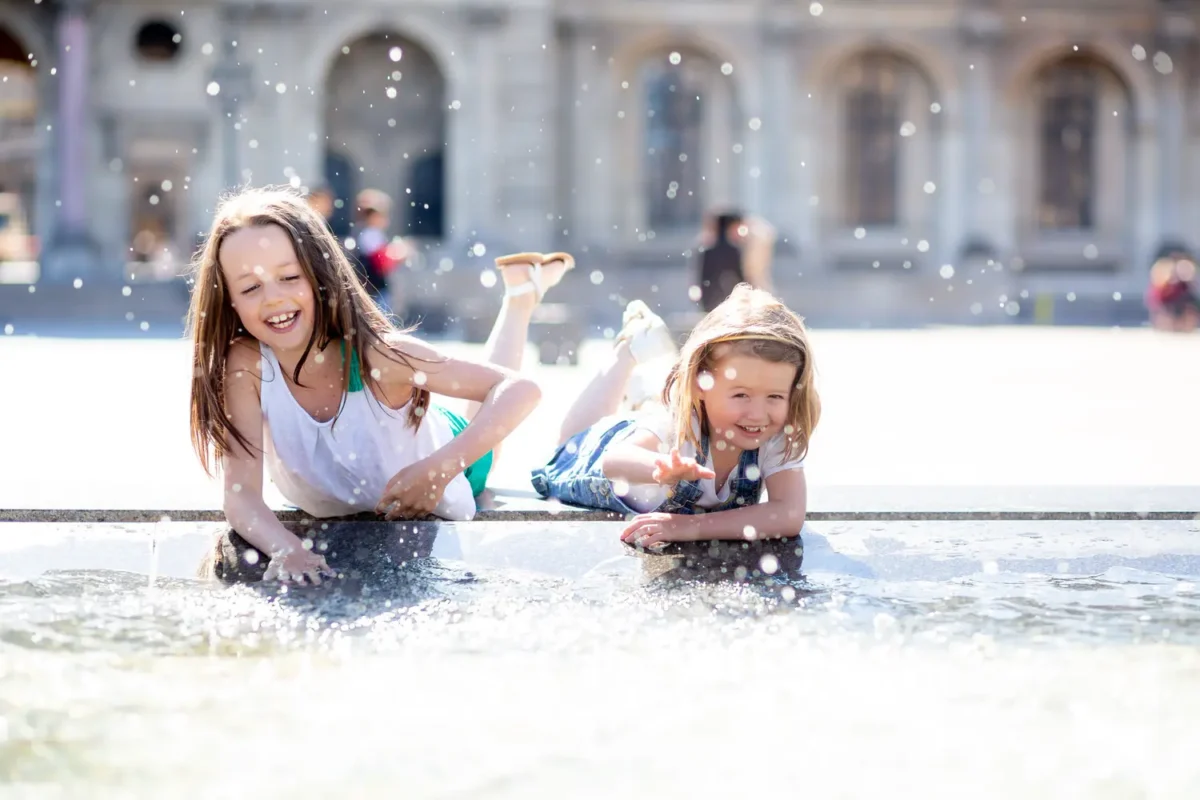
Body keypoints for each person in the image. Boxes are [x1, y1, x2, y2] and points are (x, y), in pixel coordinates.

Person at [186, 187, 563, 585]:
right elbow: (241, 497)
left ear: (320, 274)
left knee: (486, 437)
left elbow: (519, 390)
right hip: (382, 456)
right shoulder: (245, 365)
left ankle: (519, 300)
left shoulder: (379, 357)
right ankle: (521, 294)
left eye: (289, 277)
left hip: (439, 453)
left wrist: (440, 469)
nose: (273, 299)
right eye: (250, 288)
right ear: (227, 300)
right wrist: (288, 549)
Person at [531, 283, 820, 551]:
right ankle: (628, 351)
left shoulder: (777, 435)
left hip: (655, 426)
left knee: (650, 414)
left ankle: (644, 391)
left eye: (775, 397)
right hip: (595, 455)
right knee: (568, 441)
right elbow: (614, 460)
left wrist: (690, 527)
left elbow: (788, 513)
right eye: (741, 395)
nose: (758, 414)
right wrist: (659, 468)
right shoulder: (679, 424)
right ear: (700, 382)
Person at [696, 210, 746, 313]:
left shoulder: (708, 252)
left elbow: (703, 281)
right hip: (730, 304)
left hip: (712, 304)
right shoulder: (733, 251)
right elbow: (741, 280)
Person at [1146, 253, 1200, 333]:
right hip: (1169, 302)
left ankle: (1182, 324)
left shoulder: (1183, 284)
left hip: (1180, 302)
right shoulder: (1166, 284)